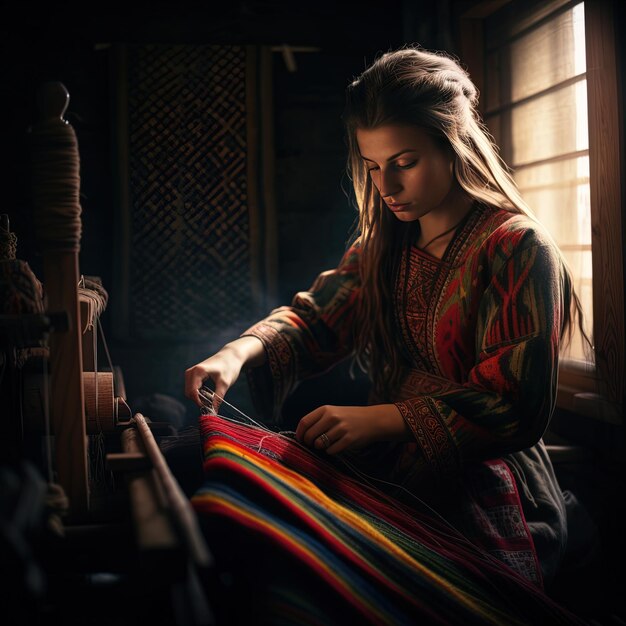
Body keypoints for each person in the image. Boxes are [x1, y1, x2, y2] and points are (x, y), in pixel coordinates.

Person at [185, 46, 586, 591]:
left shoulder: (516, 247)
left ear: (454, 145)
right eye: (372, 166)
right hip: (392, 460)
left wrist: (384, 420)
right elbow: (316, 322)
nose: (386, 186)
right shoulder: (383, 249)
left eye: (405, 162)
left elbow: (515, 402)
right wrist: (234, 353)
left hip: (490, 480)